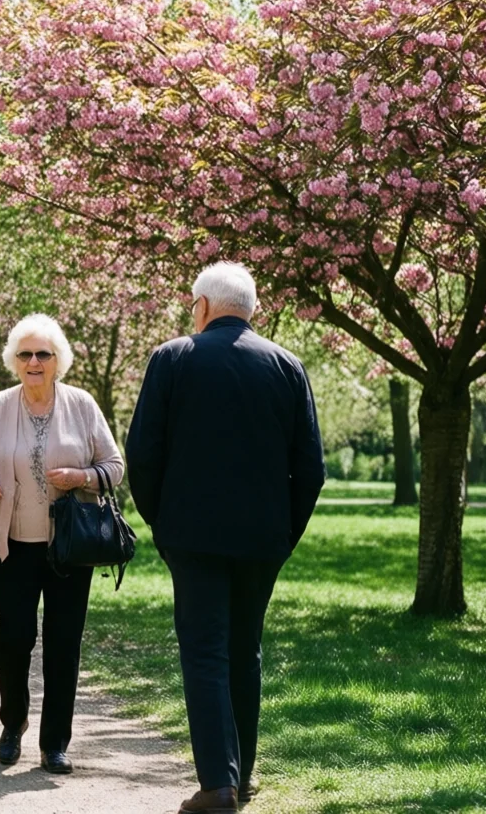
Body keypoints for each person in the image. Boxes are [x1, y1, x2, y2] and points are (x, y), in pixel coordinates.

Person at [125, 262, 325, 814]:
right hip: (263, 539)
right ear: (251, 309)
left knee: (206, 653)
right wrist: (285, 535)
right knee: (245, 651)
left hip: (191, 535)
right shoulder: (288, 366)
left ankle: (219, 786)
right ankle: (242, 775)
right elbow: (310, 469)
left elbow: (142, 454)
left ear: (203, 306)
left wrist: (160, 523)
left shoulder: (172, 358)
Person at [0, 314, 124, 775]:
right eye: (25, 354)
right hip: (12, 545)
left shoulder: (81, 405)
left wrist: (82, 477)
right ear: (14, 361)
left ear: (58, 361)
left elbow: (114, 465)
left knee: (62, 643)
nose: (34, 362)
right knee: (13, 639)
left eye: (43, 354)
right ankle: (12, 725)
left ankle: (54, 741)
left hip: (68, 549)